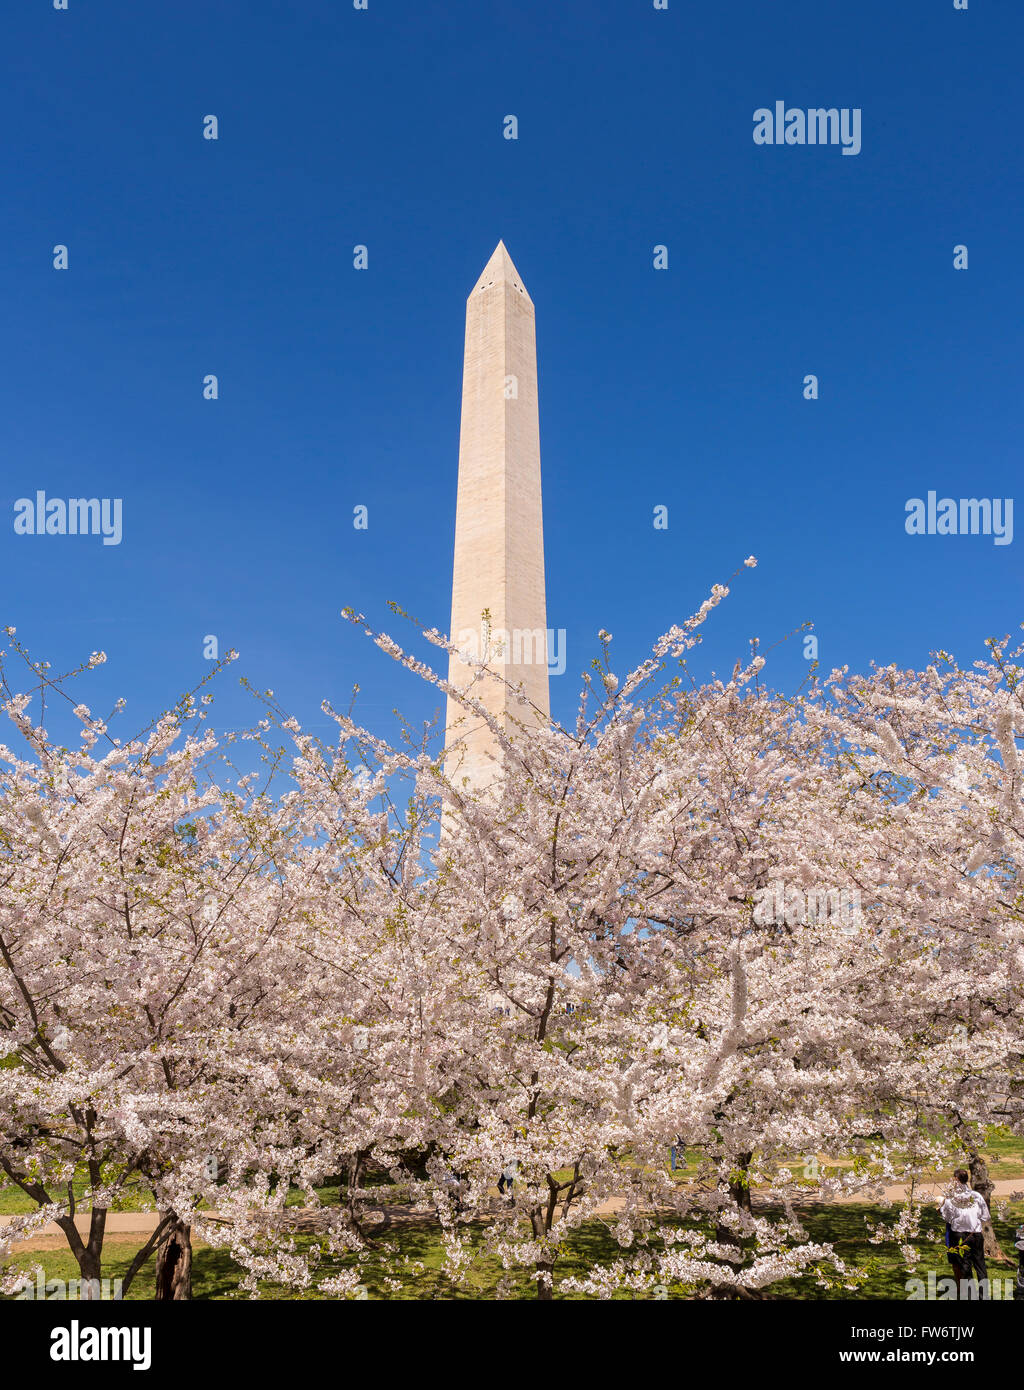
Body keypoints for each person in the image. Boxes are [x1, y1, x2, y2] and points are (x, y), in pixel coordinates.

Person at [939, 1169, 990, 1298]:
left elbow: (947, 1218)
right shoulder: (976, 1195)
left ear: (956, 1179)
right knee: (980, 1265)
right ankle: (983, 1296)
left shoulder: (951, 1198)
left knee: (965, 1266)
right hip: (976, 1234)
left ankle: (969, 1295)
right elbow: (985, 1216)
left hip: (960, 1235)